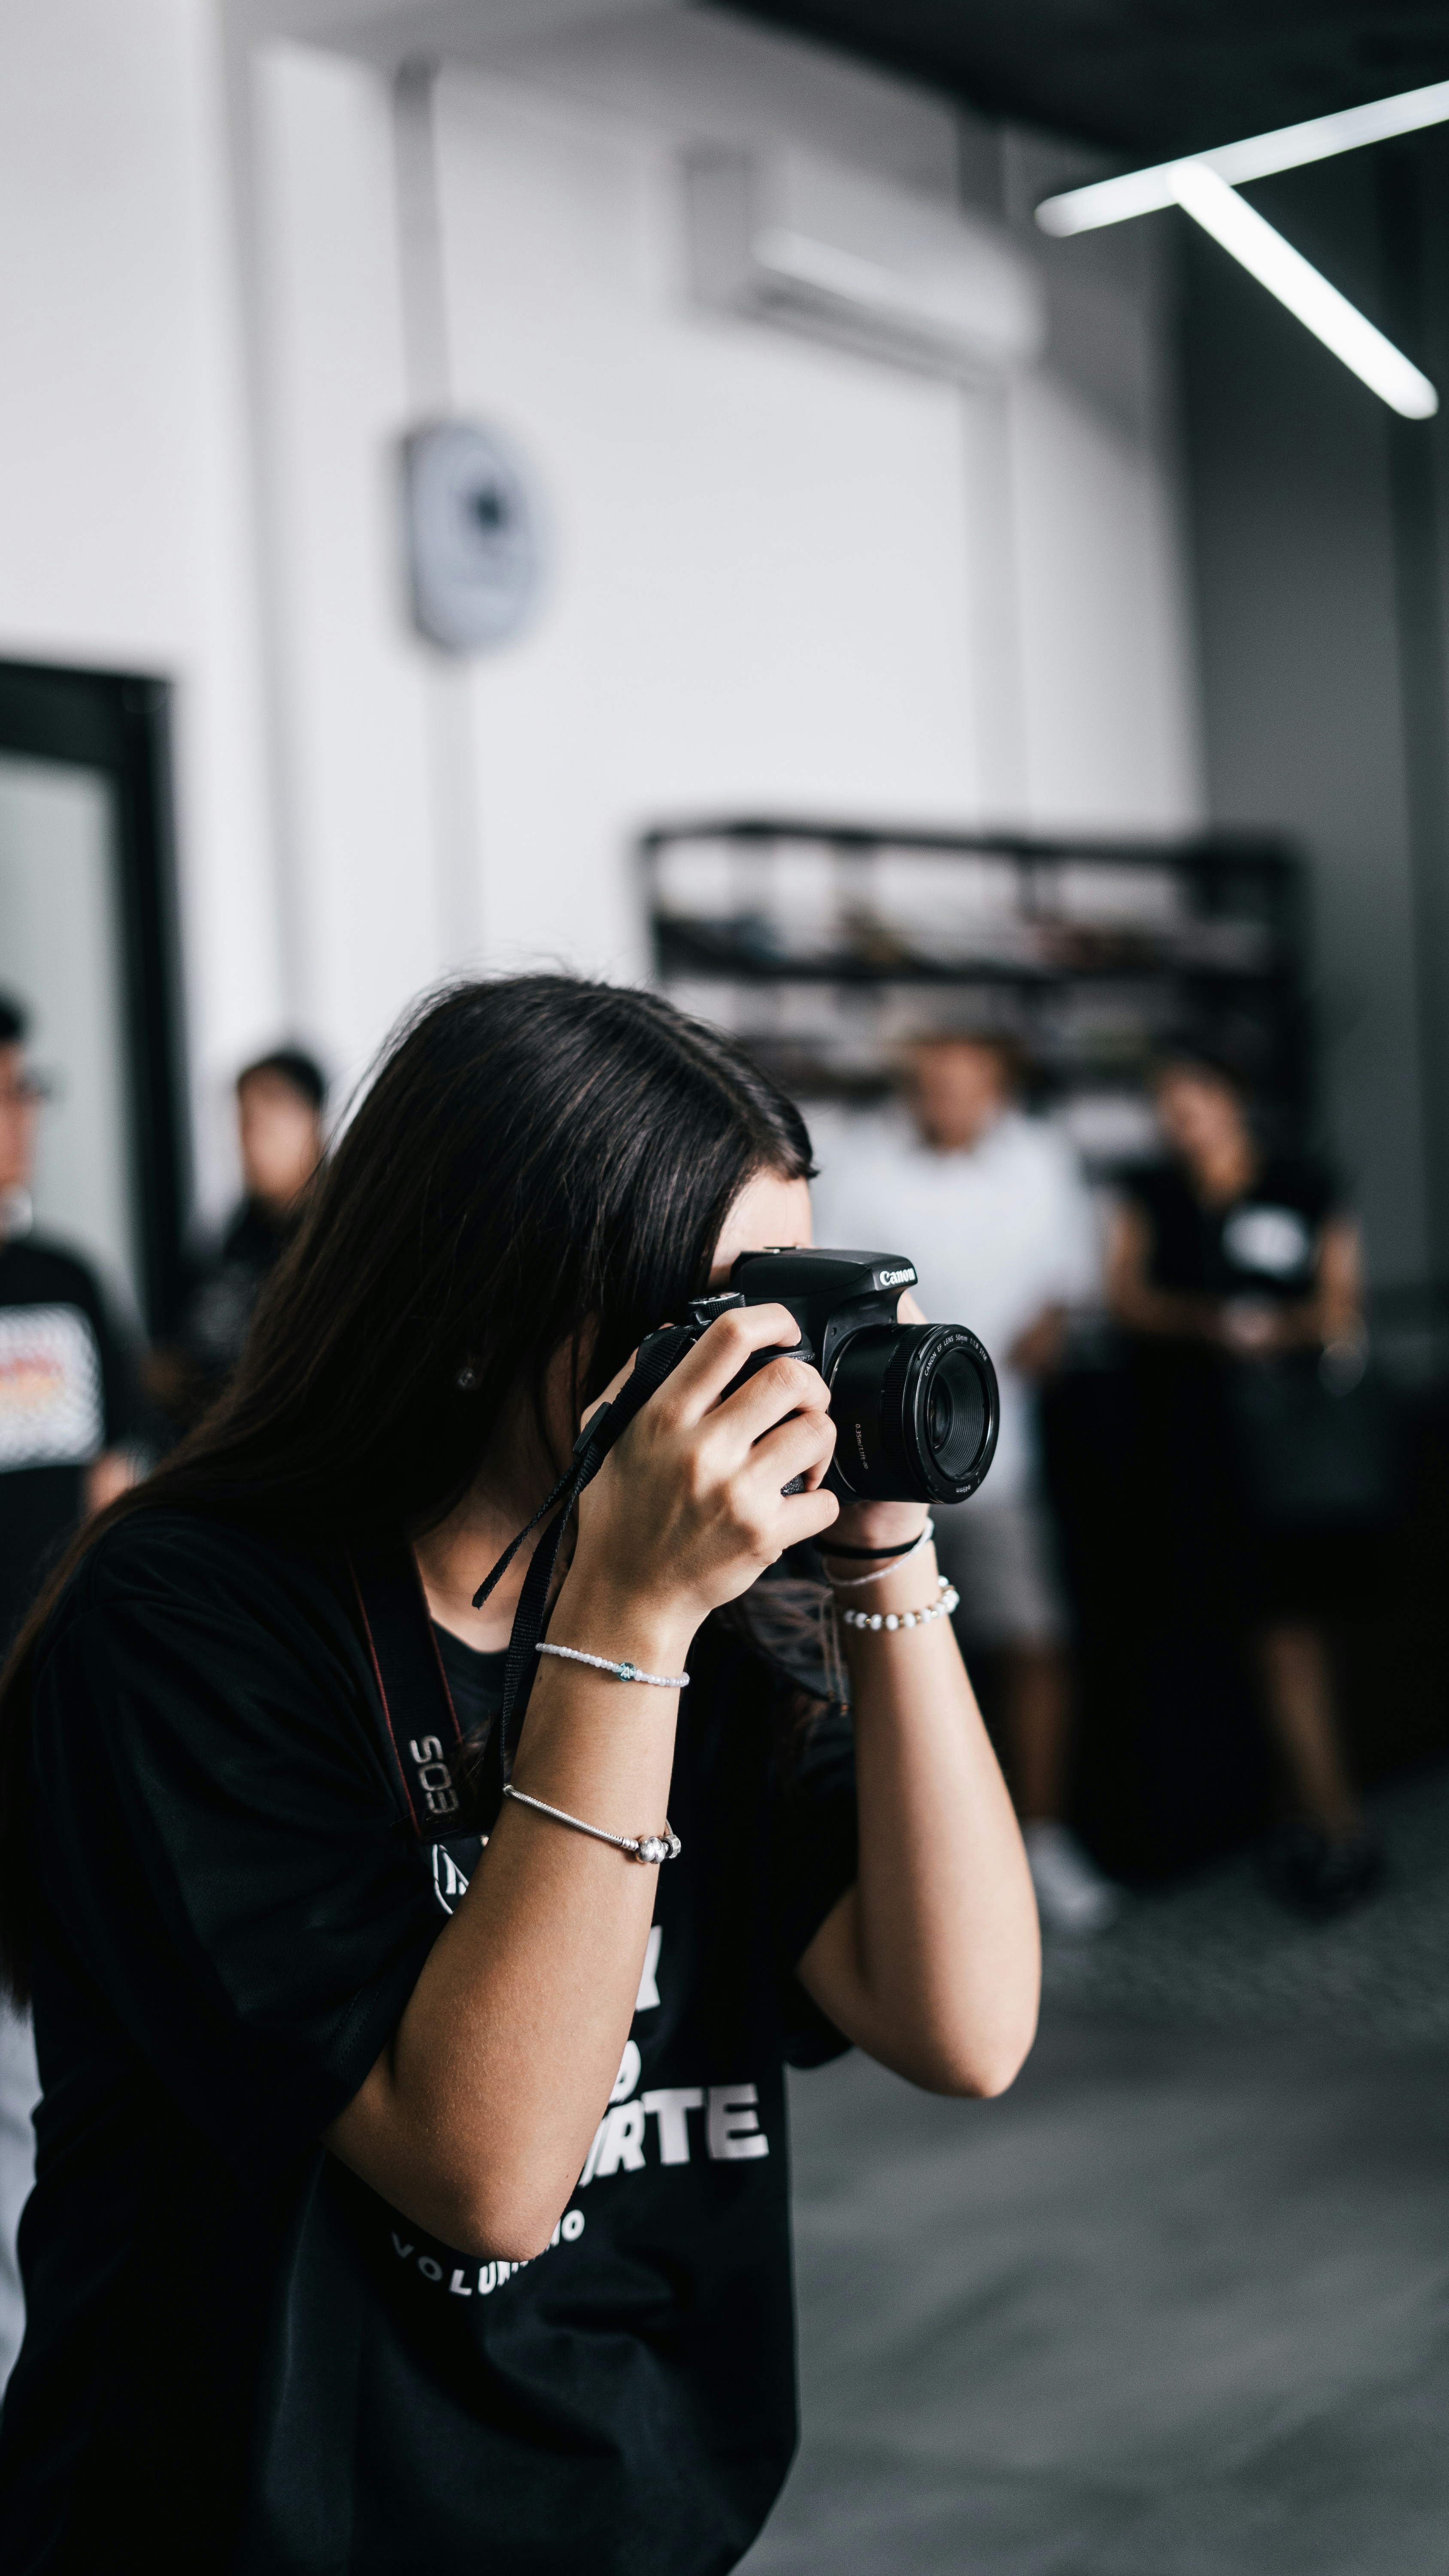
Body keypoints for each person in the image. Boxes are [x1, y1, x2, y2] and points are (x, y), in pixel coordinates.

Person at [0, 975, 1040, 2576]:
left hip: (627, 2518)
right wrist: (626, 1620)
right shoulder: (184, 1625)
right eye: (723, 1317)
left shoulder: (715, 1608)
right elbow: (482, 2174)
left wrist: (880, 1539)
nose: (773, 1375)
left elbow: (961, 2022)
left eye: (797, 1304)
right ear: (487, 1306)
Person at [811, 1035, 1114, 1935]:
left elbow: (1070, 1277)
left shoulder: (1038, 1161)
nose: (947, 1100)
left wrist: (1041, 1331)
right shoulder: (862, 1166)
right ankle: (892, 1854)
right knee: (877, 1645)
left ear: (998, 1089)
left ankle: (1041, 1838)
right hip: (879, 1452)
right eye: (932, 1085)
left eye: (966, 1086)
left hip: (1000, 1446)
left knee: (1030, 1641)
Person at [1106, 1048, 1379, 1912]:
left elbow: (1340, 1303)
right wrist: (1212, 1321)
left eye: (1195, 1099)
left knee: (1294, 1630)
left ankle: (1330, 1818)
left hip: (1291, 1444)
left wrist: (1275, 1327)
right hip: (1190, 1442)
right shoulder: (1151, 1192)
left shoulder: (1300, 1183)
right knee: (1254, 1633)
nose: (1182, 1118)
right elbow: (1125, 1297)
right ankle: (1312, 1817)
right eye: (1168, 1104)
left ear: (1232, 1099)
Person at [0, 990, 148, 2393]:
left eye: (20, 1093)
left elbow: (114, 1485)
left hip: (51, 1713)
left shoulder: (67, 1281)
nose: (16, 1123)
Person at [170, 1047, 327, 1418]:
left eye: (265, 1123)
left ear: (312, 1121)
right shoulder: (236, 1235)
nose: (249, 1141)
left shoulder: (338, 1233)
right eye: (243, 1122)